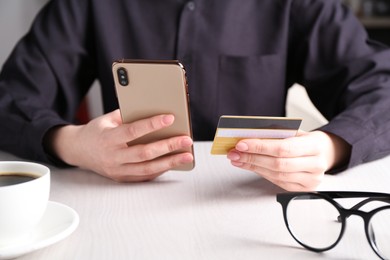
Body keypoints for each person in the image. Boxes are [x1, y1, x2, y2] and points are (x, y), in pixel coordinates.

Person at [0, 0, 389, 191]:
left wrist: (330, 147)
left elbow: (382, 85)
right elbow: (10, 97)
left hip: (255, 204)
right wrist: (72, 143)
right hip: (122, 206)